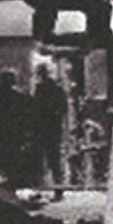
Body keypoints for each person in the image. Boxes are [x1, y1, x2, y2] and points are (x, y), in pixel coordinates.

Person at [0, 68, 31, 189]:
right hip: (14, 133)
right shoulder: (19, 97)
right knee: (14, 159)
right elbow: (26, 115)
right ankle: (13, 183)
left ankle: (0, 183)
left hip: (0, 132)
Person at [31, 63, 68, 201]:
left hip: (42, 129)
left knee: (41, 160)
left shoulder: (40, 90)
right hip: (54, 129)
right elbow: (63, 109)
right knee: (54, 160)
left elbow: (35, 109)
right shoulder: (57, 89)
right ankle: (58, 189)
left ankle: (41, 189)